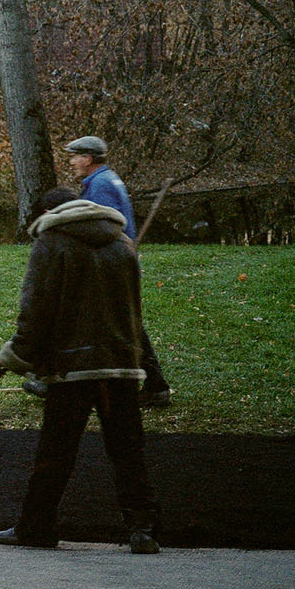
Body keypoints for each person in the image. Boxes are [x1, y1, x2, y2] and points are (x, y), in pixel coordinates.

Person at [0, 185, 161, 554]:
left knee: (56, 451)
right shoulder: (122, 243)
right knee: (128, 450)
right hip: (121, 365)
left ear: (48, 214)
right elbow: (134, 314)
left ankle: (36, 528)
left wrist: (14, 356)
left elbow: (36, 308)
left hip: (73, 369)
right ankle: (143, 529)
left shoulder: (51, 244)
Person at [64, 135, 172, 407]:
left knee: (121, 324)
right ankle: (151, 384)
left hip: (109, 267)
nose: (72, 162)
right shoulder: (106, 179)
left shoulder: (99, 185)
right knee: (122, 323)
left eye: (75, 156)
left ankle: (155, 384)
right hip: (118, 263)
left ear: (88, 159)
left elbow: (101, 229)